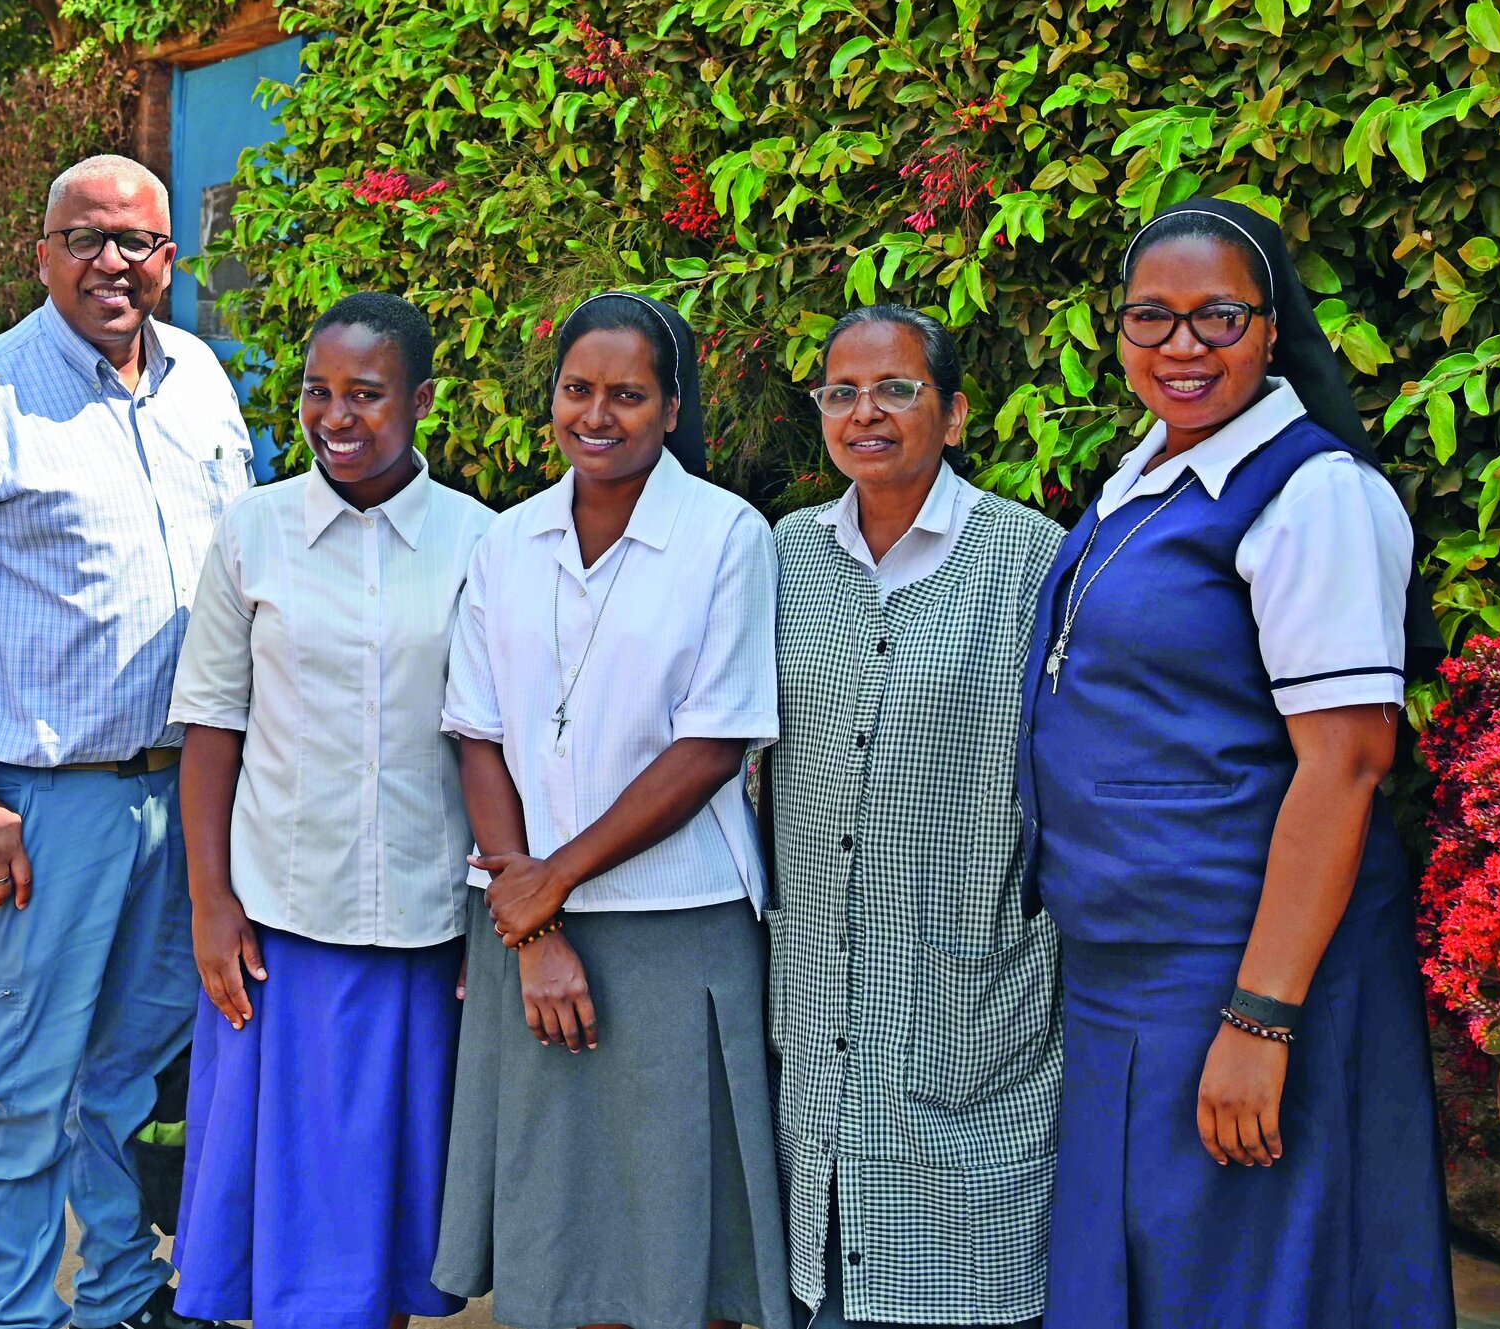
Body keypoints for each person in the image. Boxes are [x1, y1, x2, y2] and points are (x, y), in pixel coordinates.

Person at [1018, 198, 1454, 1328]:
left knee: (1252, 1285)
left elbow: (1345, 768)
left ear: (1270, 328)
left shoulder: (1313, 496)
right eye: (1149, 318)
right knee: (1139, 1279)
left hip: (1244, 970)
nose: (1180, 346)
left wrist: (1259, 1022)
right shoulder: (1145, 478)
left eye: (1216, 316)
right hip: (1126, 976)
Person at [0, 154, 250, 1329]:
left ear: (168, 259)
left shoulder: (201, 384)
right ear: (42, 254)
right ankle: (17, 1313)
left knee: (128, 1077)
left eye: (135, 242)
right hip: (37, 806)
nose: (111, 264)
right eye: (84, 238)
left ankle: (124, 1296)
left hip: (181, 795)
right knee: (19, 1087)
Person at [433, 290, 794, 1329]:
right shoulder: (506, 543)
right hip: (522, 927)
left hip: (677, 926)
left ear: (671, 407)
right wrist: (533, 909)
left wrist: (555, 875)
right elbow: (479, 734)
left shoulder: (725, 534)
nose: (597, 413)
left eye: (627, 394)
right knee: (564, 1225)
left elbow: (712, 743)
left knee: (688, 1229)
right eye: (577, 389)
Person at [165, 292, 493, 1328]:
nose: (335, 417)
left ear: (422, 401)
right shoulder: (253, 534)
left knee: (388, 1225)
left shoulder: (481, 543)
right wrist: (211, 903)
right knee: (284, 1223)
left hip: (421, 928)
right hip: (278, 931)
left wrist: (495, 915)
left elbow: (500, 745)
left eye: (366, 394)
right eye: (317, 391)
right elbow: (212, 727)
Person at [768, 305, 1066, 1329]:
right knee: (826, 1281)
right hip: (820, 1003)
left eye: (895, 389)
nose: (865, 413)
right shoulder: (782, 559)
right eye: (840, 393)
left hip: (969, 997)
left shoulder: (1031, 561)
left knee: (965, 1288)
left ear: (954, 412)